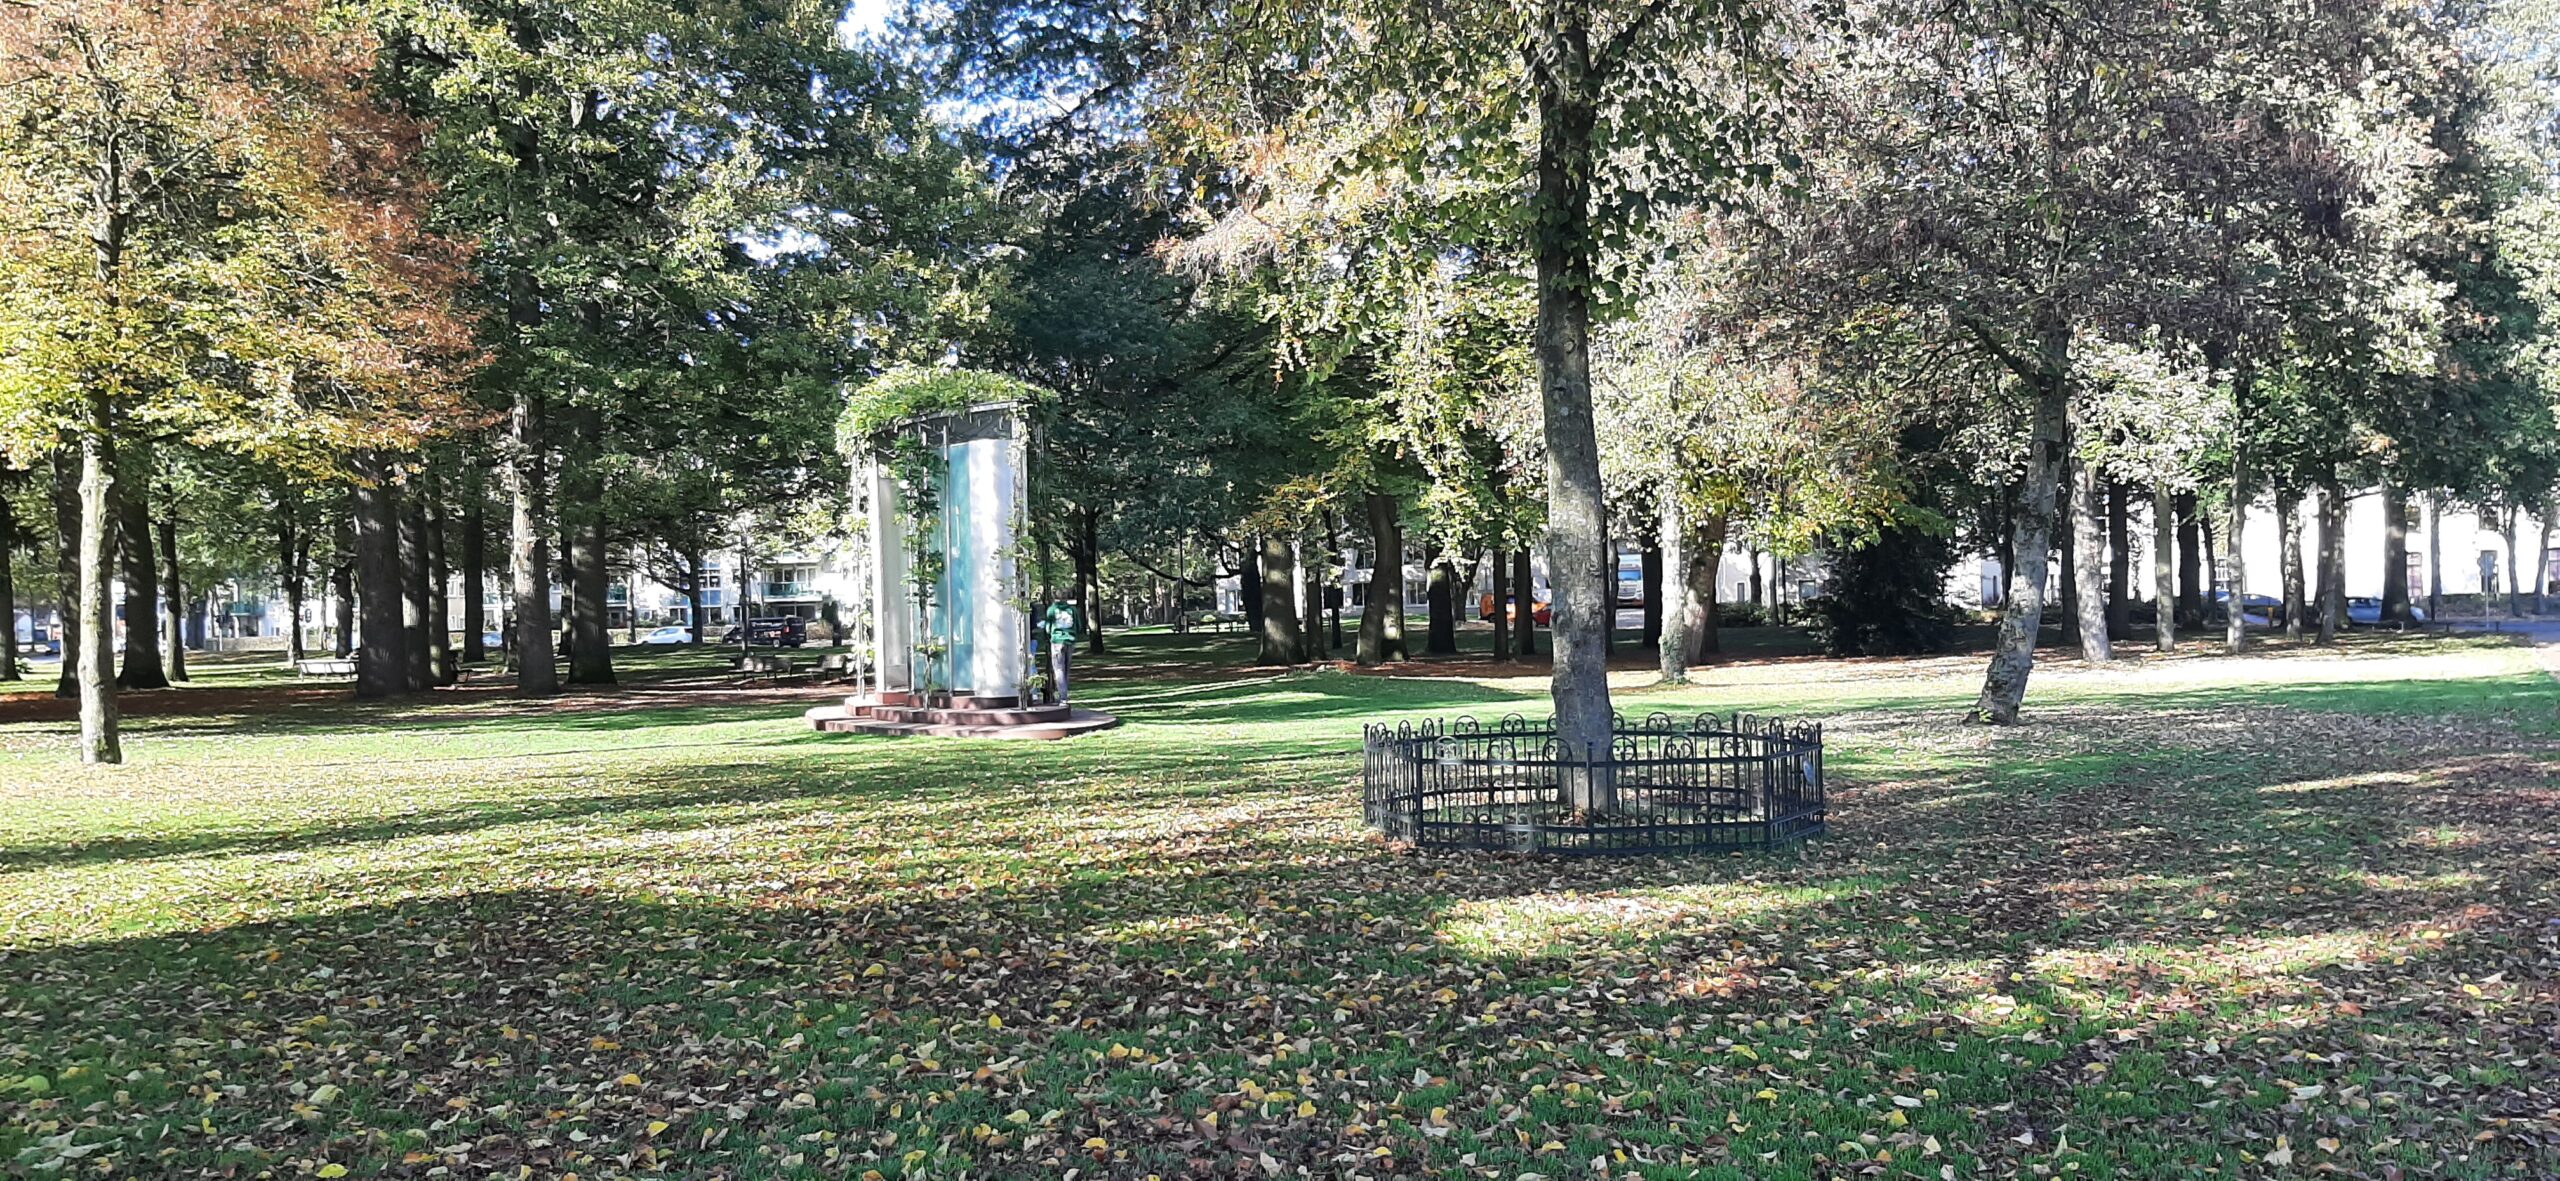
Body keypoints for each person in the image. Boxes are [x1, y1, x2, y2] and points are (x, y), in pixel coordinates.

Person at [1040, 599, 1083, 705]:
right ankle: (1065, 694)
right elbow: (1079, 626)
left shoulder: (1052, 609)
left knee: (1059, 669)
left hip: (1057, 641)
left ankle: (1063, 697)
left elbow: (1048, 628)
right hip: (1070, 641)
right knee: (1066, 669)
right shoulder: (1072, 610)